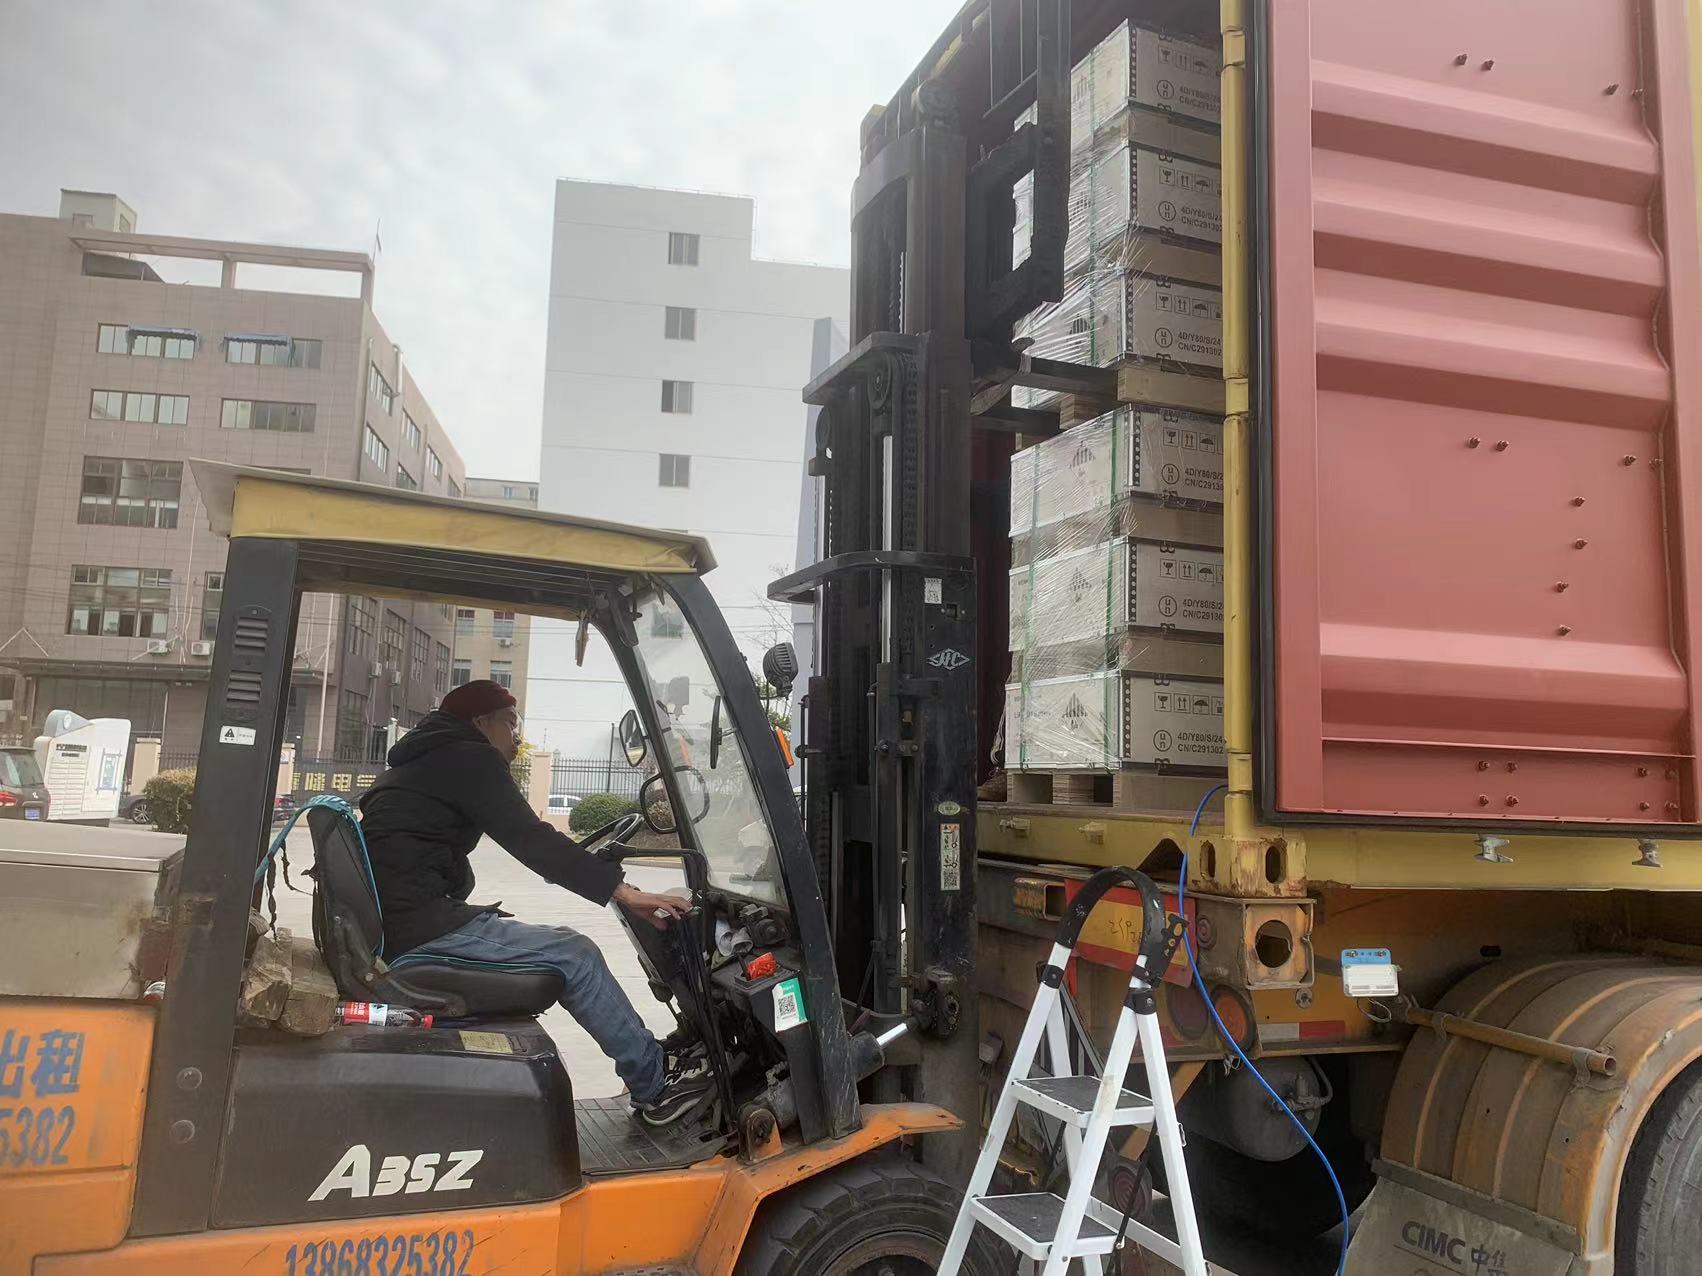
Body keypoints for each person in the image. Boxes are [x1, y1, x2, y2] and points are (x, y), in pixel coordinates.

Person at [357, 679, 712, 1126]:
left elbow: (520, 842)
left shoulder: (423, 760)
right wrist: (625, 892)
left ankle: (647, 1056)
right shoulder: (469, 757)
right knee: (576, 954)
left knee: (565, 945)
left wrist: (593, 875)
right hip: (419, 929)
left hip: (402, 921)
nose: (518, 736)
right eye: (510, 723)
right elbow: (530, 839)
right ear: (480, 722)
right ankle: (656, 1088)